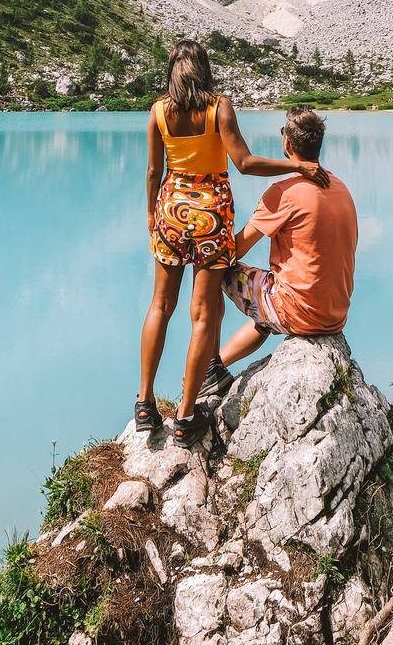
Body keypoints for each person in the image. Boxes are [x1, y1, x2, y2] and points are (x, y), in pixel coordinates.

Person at [137, 40, 329, 447]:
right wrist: (298, 165)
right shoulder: (218, 107)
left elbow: (155, 172)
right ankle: (187, 416)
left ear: (172, 71)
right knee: (204, 314)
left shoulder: (158, 112)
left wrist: (152, 218)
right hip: (210, 214)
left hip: (170, 210)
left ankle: (144, 402)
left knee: (160, 306)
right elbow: (244, 162)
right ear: (204, 70)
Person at [199, 106, 358, 400]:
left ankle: (207, 369)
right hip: (335, 314)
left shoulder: (284, 192)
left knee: (215, 267)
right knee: (265, 307)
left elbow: (236, 248)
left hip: (298, 312)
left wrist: (202, 245)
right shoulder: (341, 187)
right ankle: (217, 366)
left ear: (286, 143)